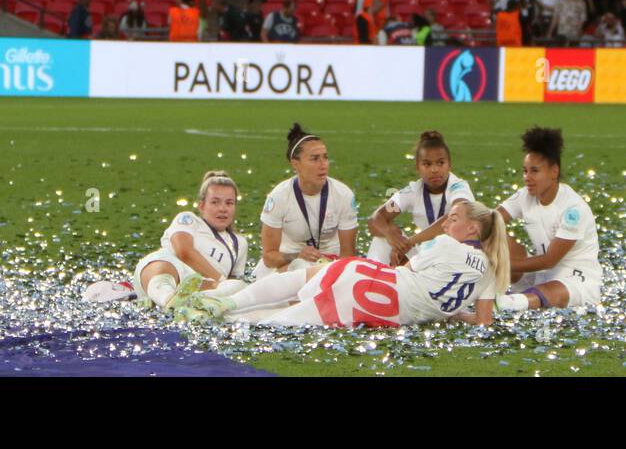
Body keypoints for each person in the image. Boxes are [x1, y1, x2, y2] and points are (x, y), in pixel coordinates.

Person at [180, 198, 507, 328]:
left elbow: (407, 272)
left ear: (472, 229)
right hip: (389, 310)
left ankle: (221, 304)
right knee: (284, 319)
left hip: (378, 285)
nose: (447, 226)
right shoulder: (491, 268)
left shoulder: (447, 244)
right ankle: (225, 317)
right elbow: (483, 321)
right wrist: (446, 312)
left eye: (452, 220)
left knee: (297, 284)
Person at [495, 127, 601, 314]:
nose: (527, 178)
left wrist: (502, 265)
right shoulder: (525, 196)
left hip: (574, 278)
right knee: (493, 233)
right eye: (525, 171)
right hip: (539, 275)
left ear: (554, 172)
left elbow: (550, 260)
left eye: (534, 171)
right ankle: (514, 298)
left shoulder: (572, 209)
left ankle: (504, 303)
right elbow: (491, 220)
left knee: (549, 292)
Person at [252, 122, 358, 280]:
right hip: (286, 264)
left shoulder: (343, 195)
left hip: (331, 263)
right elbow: (269, 257)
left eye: (325, 157)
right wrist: (296, 256)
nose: (323, 165)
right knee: (299, 268)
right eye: (315, 159)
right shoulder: (279, 197)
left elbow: (348, 254)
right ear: (296, 164)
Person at [133, 170, 249, 312]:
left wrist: (222, 286)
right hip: (168, 271)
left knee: (239, 287)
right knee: (164, 267)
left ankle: (190, 306)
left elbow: (235, 283)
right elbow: (184, 252)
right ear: (202, 206)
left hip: (206, 287)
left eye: (229, 203)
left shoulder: (239, 243)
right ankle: (168, 300)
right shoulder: (188, 220)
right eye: (215, 202)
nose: (223, 209)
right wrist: (221, 281)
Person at [366, 131, 474, 266]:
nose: (434, 169)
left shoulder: (459, 187)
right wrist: (392, 236)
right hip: (426, 255)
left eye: (440, 163)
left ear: (449, 164)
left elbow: (454, 218)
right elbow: (376, 218)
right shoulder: (412, 191)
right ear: (417, 167)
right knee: (381, 240)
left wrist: (410, 241)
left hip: (457, 256)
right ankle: (371, 282)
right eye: (427, 164)